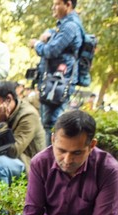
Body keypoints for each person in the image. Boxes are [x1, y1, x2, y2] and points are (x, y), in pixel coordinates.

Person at [30, 0, 83, 144]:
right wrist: (50, 32)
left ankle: (51, 164)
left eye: (57, 3)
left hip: (58, 84)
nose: (53, 7)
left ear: (68, 5)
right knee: (49, 124)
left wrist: (37, 44)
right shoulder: (65, 26)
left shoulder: (70, 26)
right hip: (55, 83)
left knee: (52, 125)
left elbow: (51, 50)